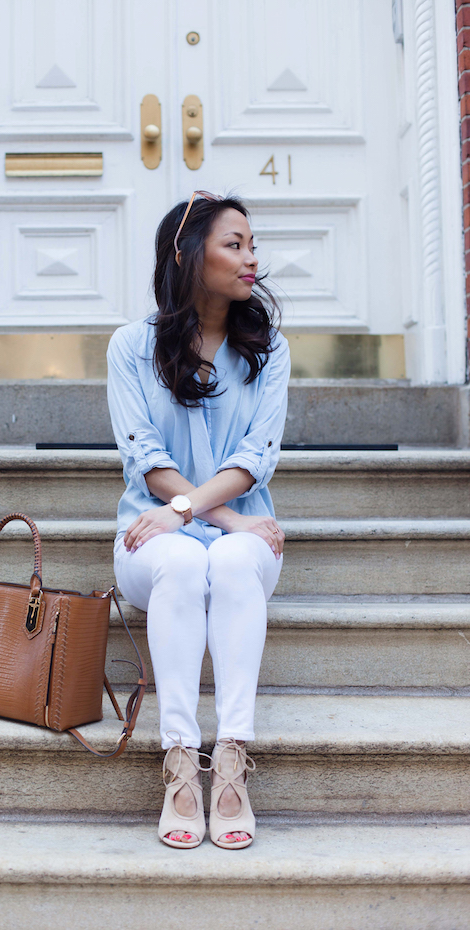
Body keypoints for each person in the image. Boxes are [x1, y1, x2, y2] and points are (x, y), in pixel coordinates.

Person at [107, 191, 290, 850]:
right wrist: (209, 518)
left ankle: (233, 764)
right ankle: (181, 765)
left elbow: (255, 459)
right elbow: (145, 460)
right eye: (234, 244)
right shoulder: (131, 347)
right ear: (191, 256)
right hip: (151, 539)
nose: (251, 258)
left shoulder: (268, 352)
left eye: (251, 245)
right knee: (186, 558)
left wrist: (219, 521)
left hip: (246, 539)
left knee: (233, 559)